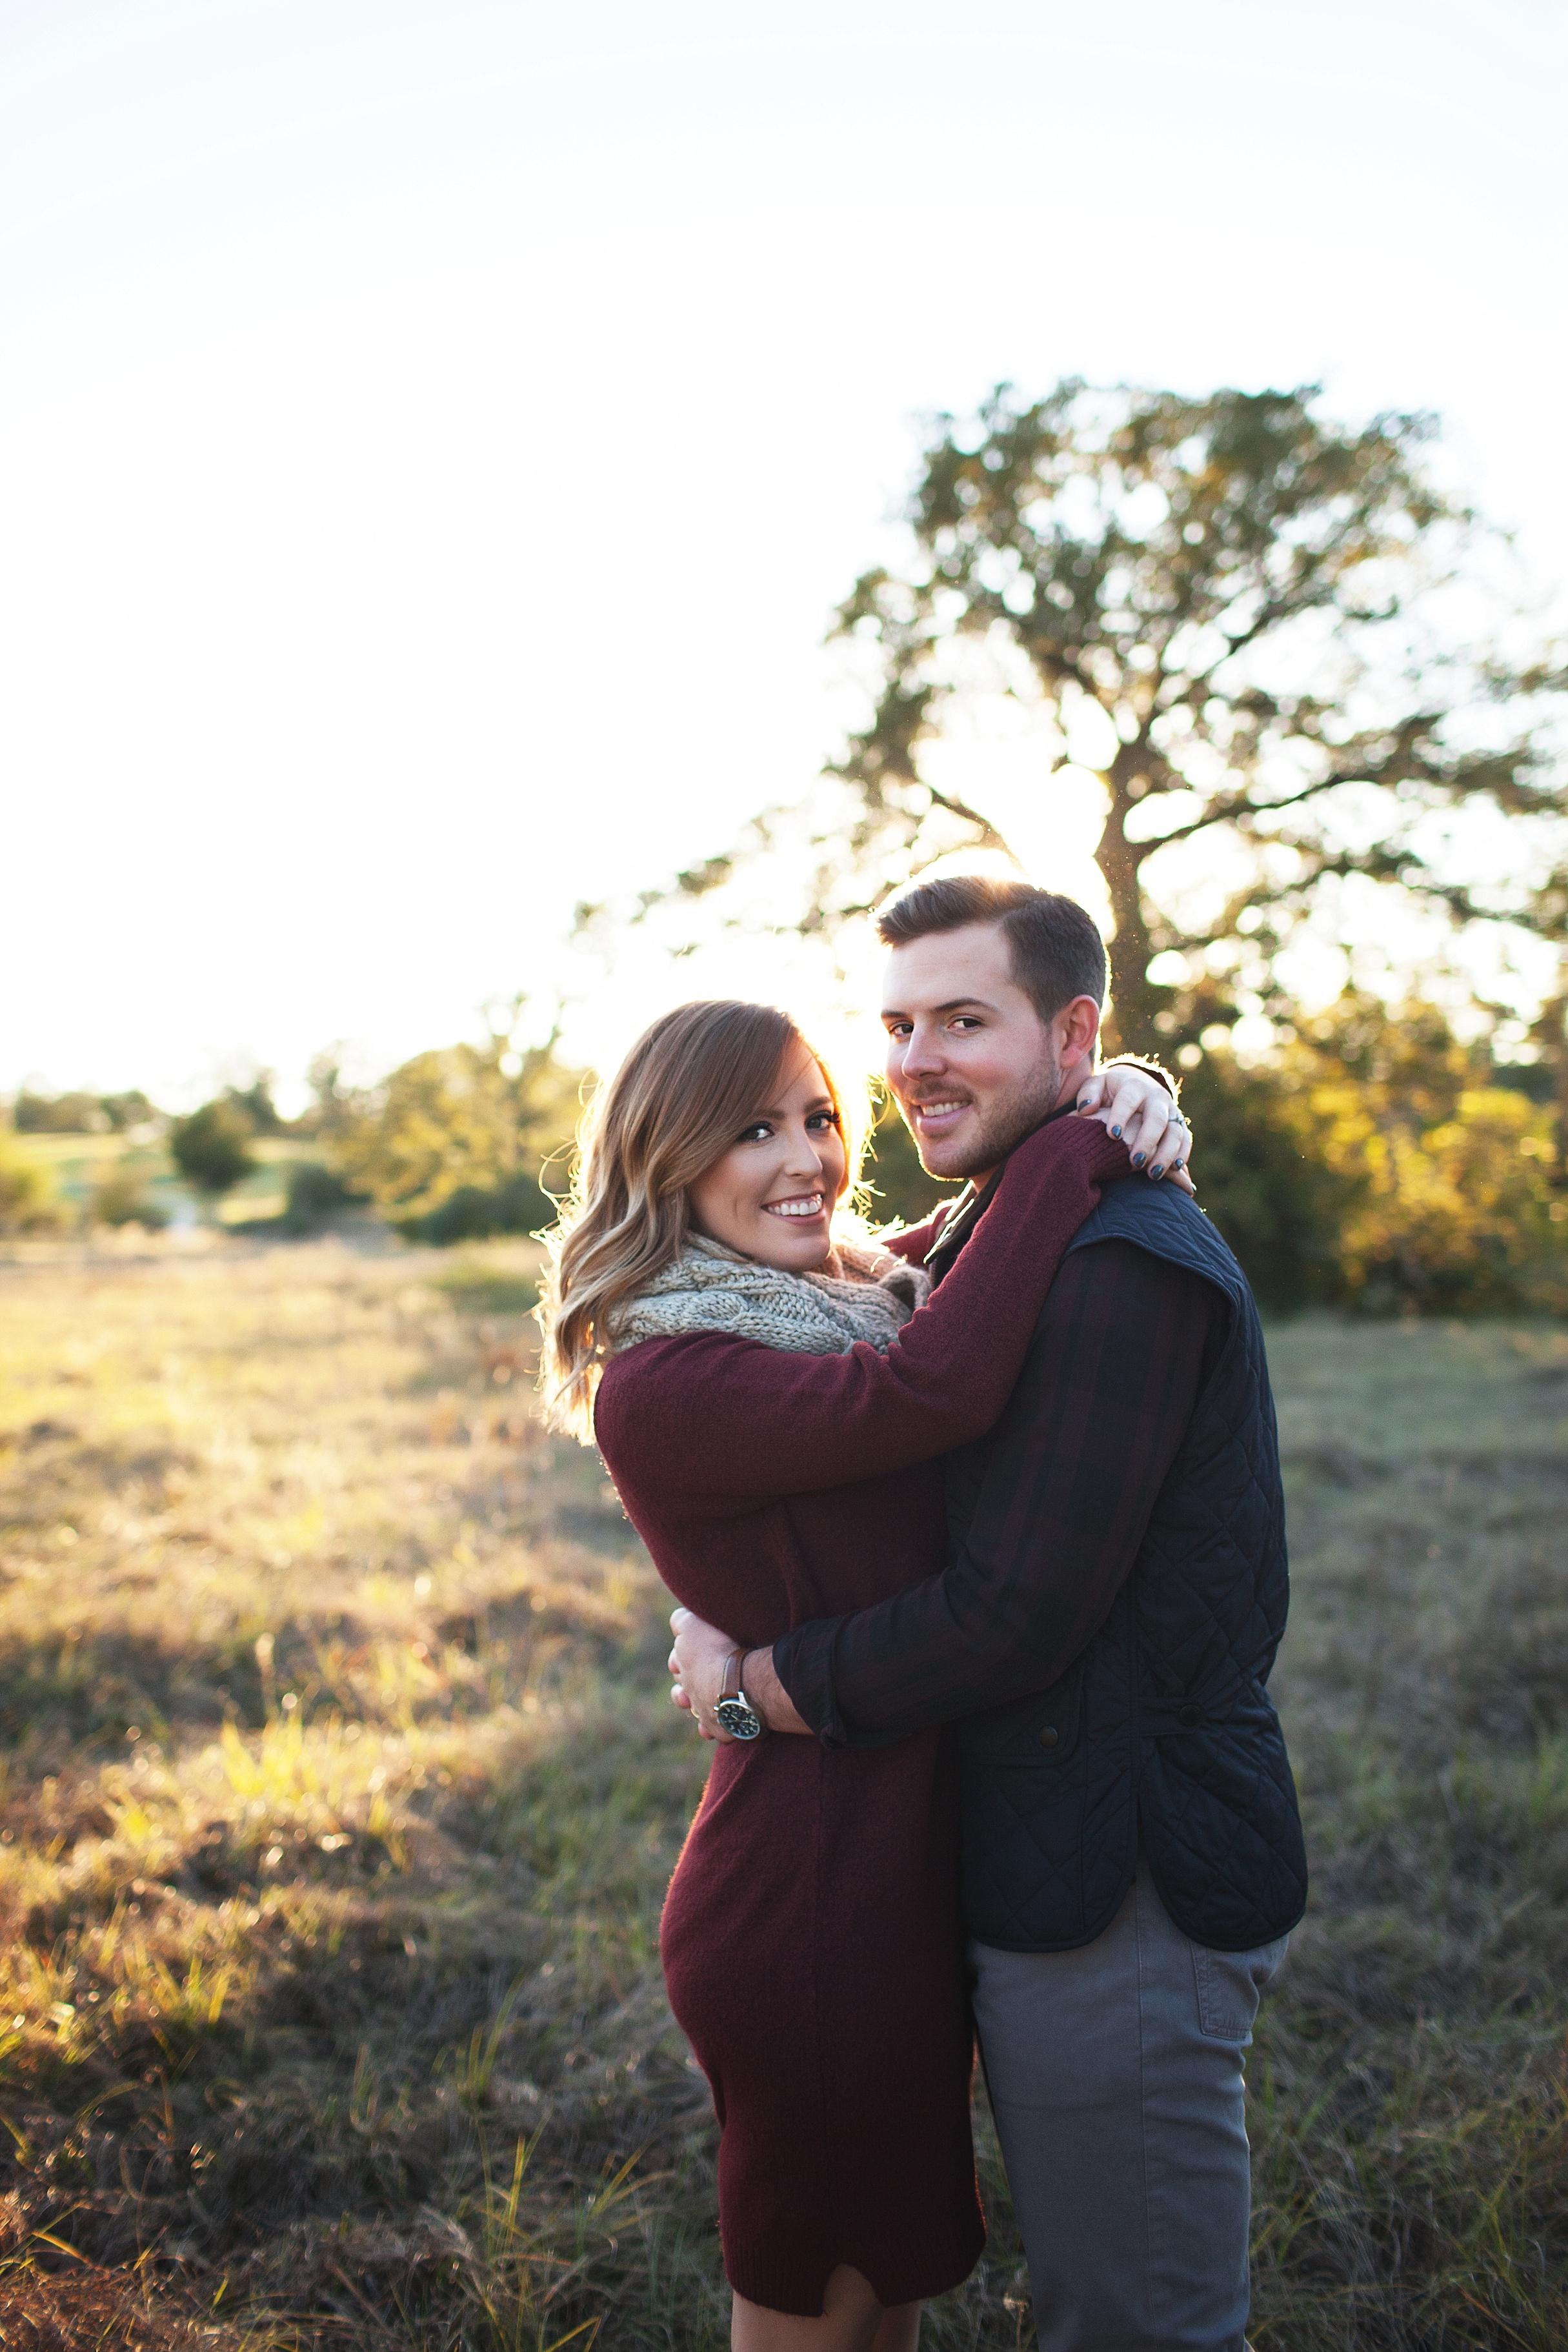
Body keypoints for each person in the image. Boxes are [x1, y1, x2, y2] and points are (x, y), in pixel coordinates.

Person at [670, 874, 1308, 2352]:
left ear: (1071, 1031)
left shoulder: (1113, 1265)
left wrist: (758, 1680)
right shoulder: (1001, 1223)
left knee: (1135, 2322)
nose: (916, 1063)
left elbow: (1009, 1614)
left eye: (966, 1019)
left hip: (1126, 1874)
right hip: (1023, 1845)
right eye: (897, 1025)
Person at [537, 989, 1189, 2352]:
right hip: (813, 1903)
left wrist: (1115, 1088)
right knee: (818, 2300)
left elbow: (946, 1254)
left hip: (896, 1871)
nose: (806, 1158)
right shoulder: (671, 1377)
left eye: (821, 1116)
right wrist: (1070, 1141)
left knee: (884, 2289)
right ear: (665, 1158)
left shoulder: (830, 1297)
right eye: (749, 1129)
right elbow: (937, 1387)